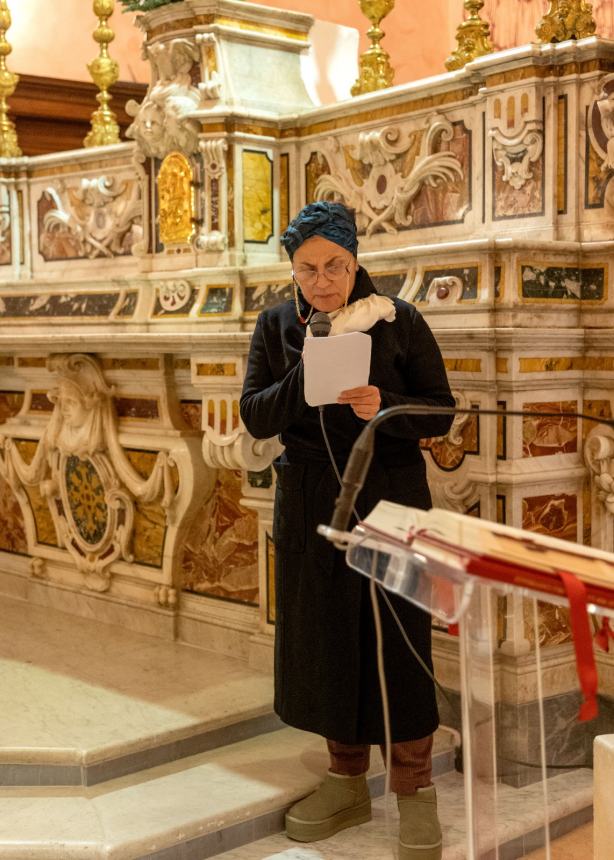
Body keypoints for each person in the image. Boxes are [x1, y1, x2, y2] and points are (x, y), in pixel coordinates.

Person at [240, 201, 454, 860]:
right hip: (310, 500)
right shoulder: (277, 325)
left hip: (390, 494)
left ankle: (416, 790)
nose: (322, 280)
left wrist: (383, 404)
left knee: (398, 636)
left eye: (335, 265)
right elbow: (254, 415)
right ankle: (345, 779)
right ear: (293, 270)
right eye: (308, 269)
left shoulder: (400, 320)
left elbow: (441, 412)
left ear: (356, 259)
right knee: (327, 638)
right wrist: (307, 376)